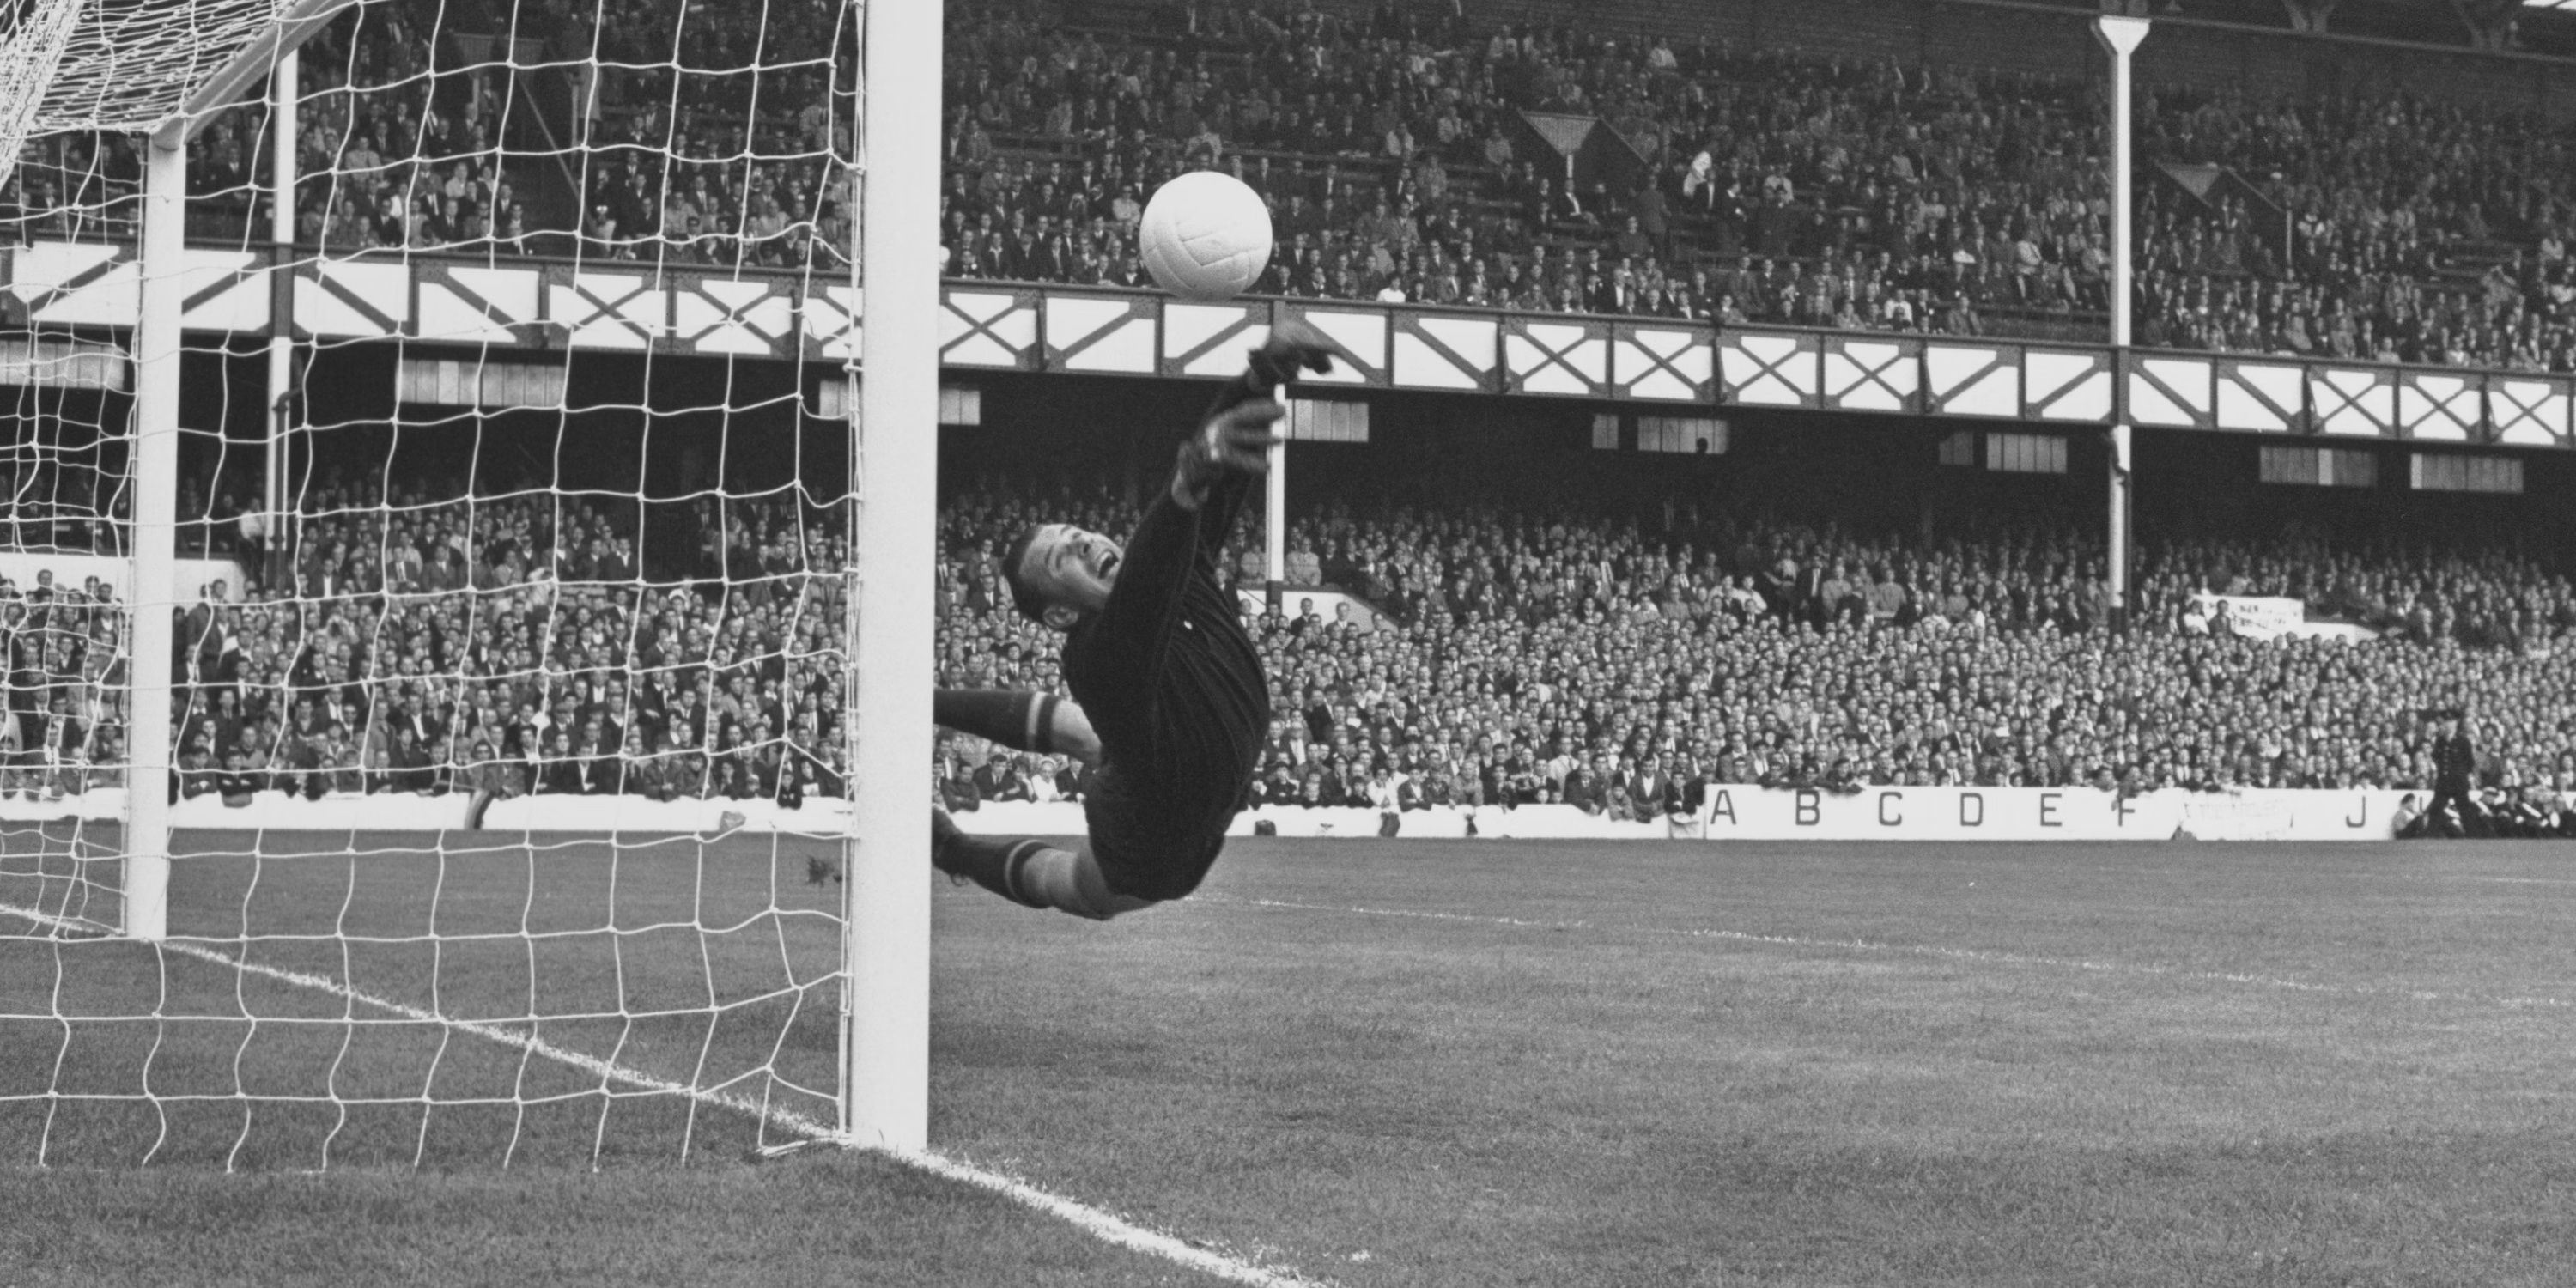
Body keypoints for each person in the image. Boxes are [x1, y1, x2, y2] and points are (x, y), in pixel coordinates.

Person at [928, 319, 1337, 919]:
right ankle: (955, 851)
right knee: (1084, 889)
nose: (1086, 542)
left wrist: (1261, 375)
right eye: (1061, 556)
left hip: (1168, 766)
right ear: (1062, 611)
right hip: (1157, 837)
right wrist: (1183, 488)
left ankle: (922, 701)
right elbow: (1156, 563)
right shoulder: (1099, 655)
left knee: (1087, 735)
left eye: (1078, 533)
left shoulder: (1178, 570)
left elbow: (1211, 481)